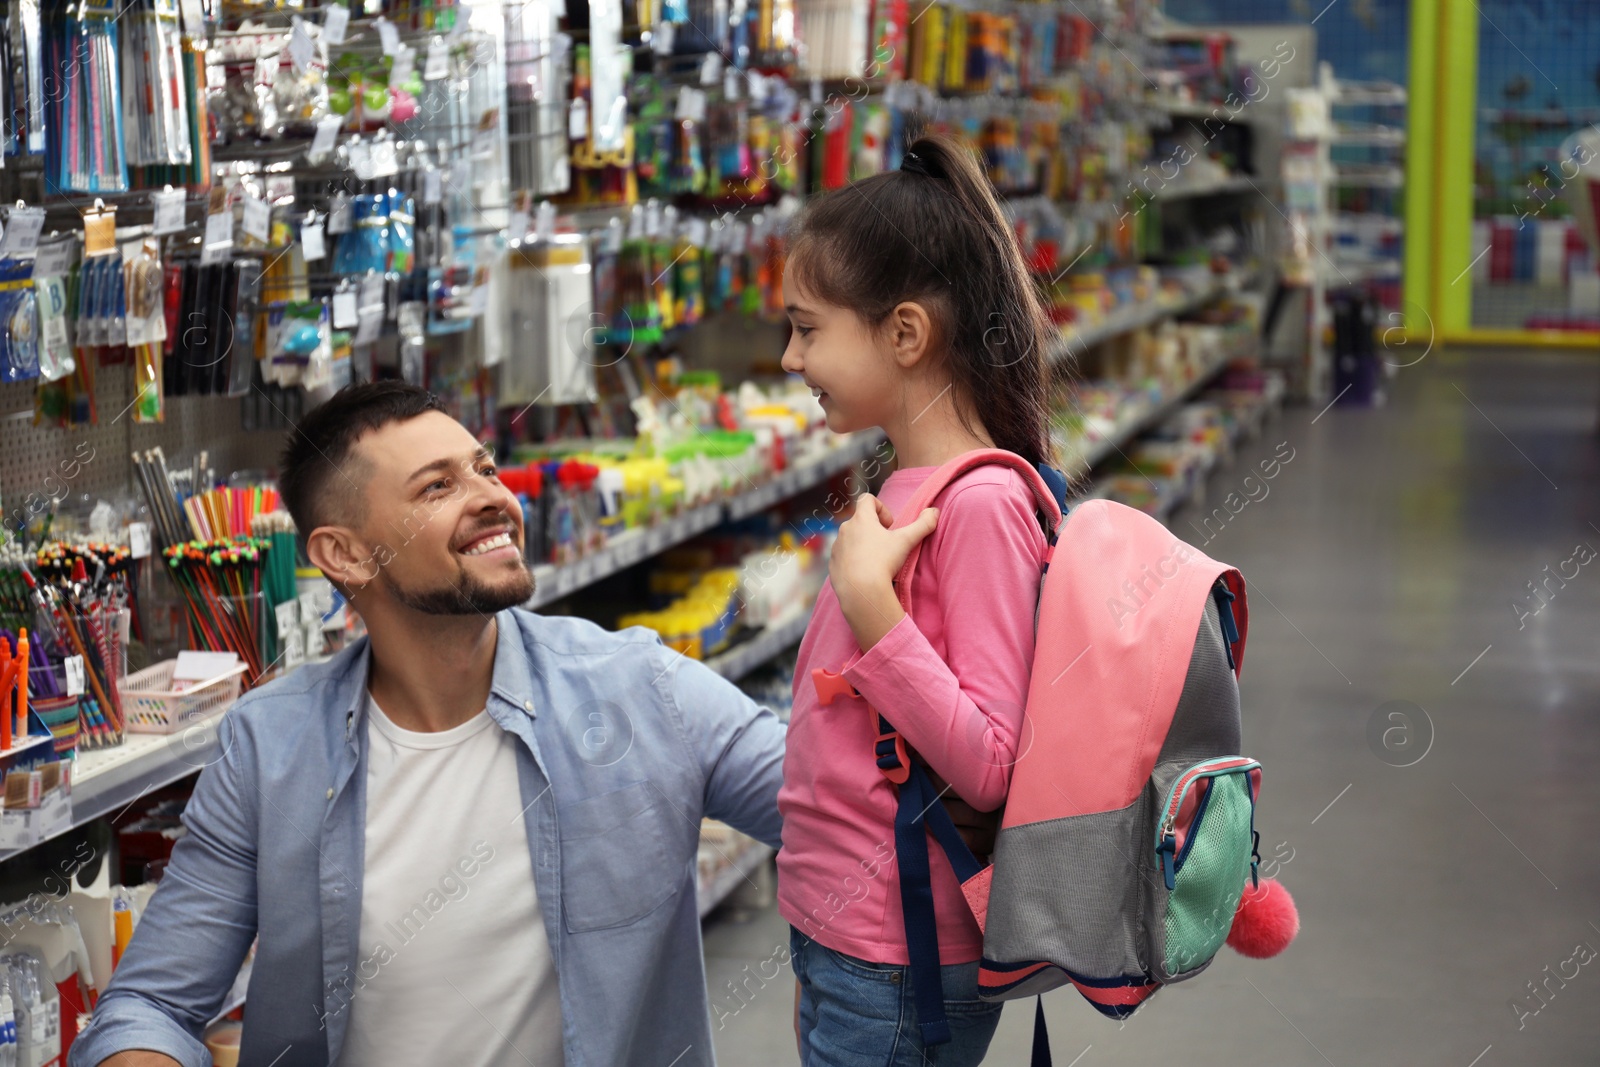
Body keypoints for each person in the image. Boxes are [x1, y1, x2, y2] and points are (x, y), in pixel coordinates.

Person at [70, 382, 789, 1067]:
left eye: (485, 468)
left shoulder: (641, 691)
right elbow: (151, 1003)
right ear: (344, 553)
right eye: (437, 486)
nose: (495, 498)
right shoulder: (269, 749)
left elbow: (842, 805)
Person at [776, 132, 1055, 1067]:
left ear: (903, 333)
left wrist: (873, 612)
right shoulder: (906, 484)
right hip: (845, 931)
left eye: (808, 328)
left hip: (902, 955)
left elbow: (990, 763)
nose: (788, 356)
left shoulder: (978, 504)